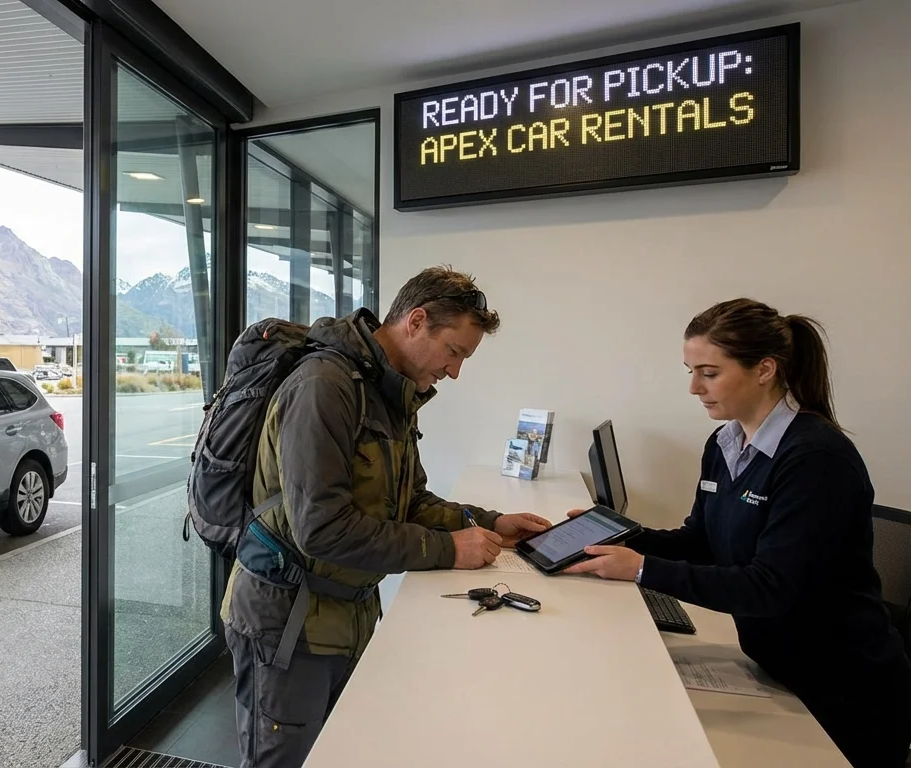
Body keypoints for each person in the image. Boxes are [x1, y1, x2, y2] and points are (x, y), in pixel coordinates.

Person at [220, 266, 553, 768]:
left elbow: (411, 502)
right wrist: (447, 550)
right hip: (285, 626)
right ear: (416, 321)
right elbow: (322, 529)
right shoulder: (324, 387)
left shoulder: (388, 392)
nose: (456, 371)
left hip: (343, 617)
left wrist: (489, 521)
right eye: (455, 352)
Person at [566, 298, 911, 768]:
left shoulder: (815, 459)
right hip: (777, 669)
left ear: (765, 369)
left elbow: (772, 587)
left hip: (840, 694)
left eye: (709, 372)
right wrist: (622, 537)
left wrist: (644, 569)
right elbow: (702, 540)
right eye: (690, 371)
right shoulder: (726, 443)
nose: (693, 387)